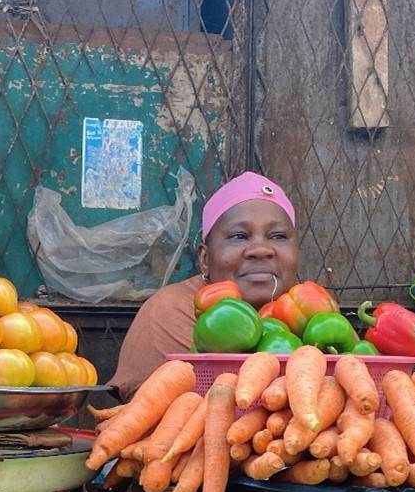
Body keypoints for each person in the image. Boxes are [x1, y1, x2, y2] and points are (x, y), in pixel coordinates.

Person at [110, 171, 300, 398]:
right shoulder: (172, 310)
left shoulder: (309, 312)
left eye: (278, 236)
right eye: (239, 236)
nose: (261, 250)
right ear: (205, 258)